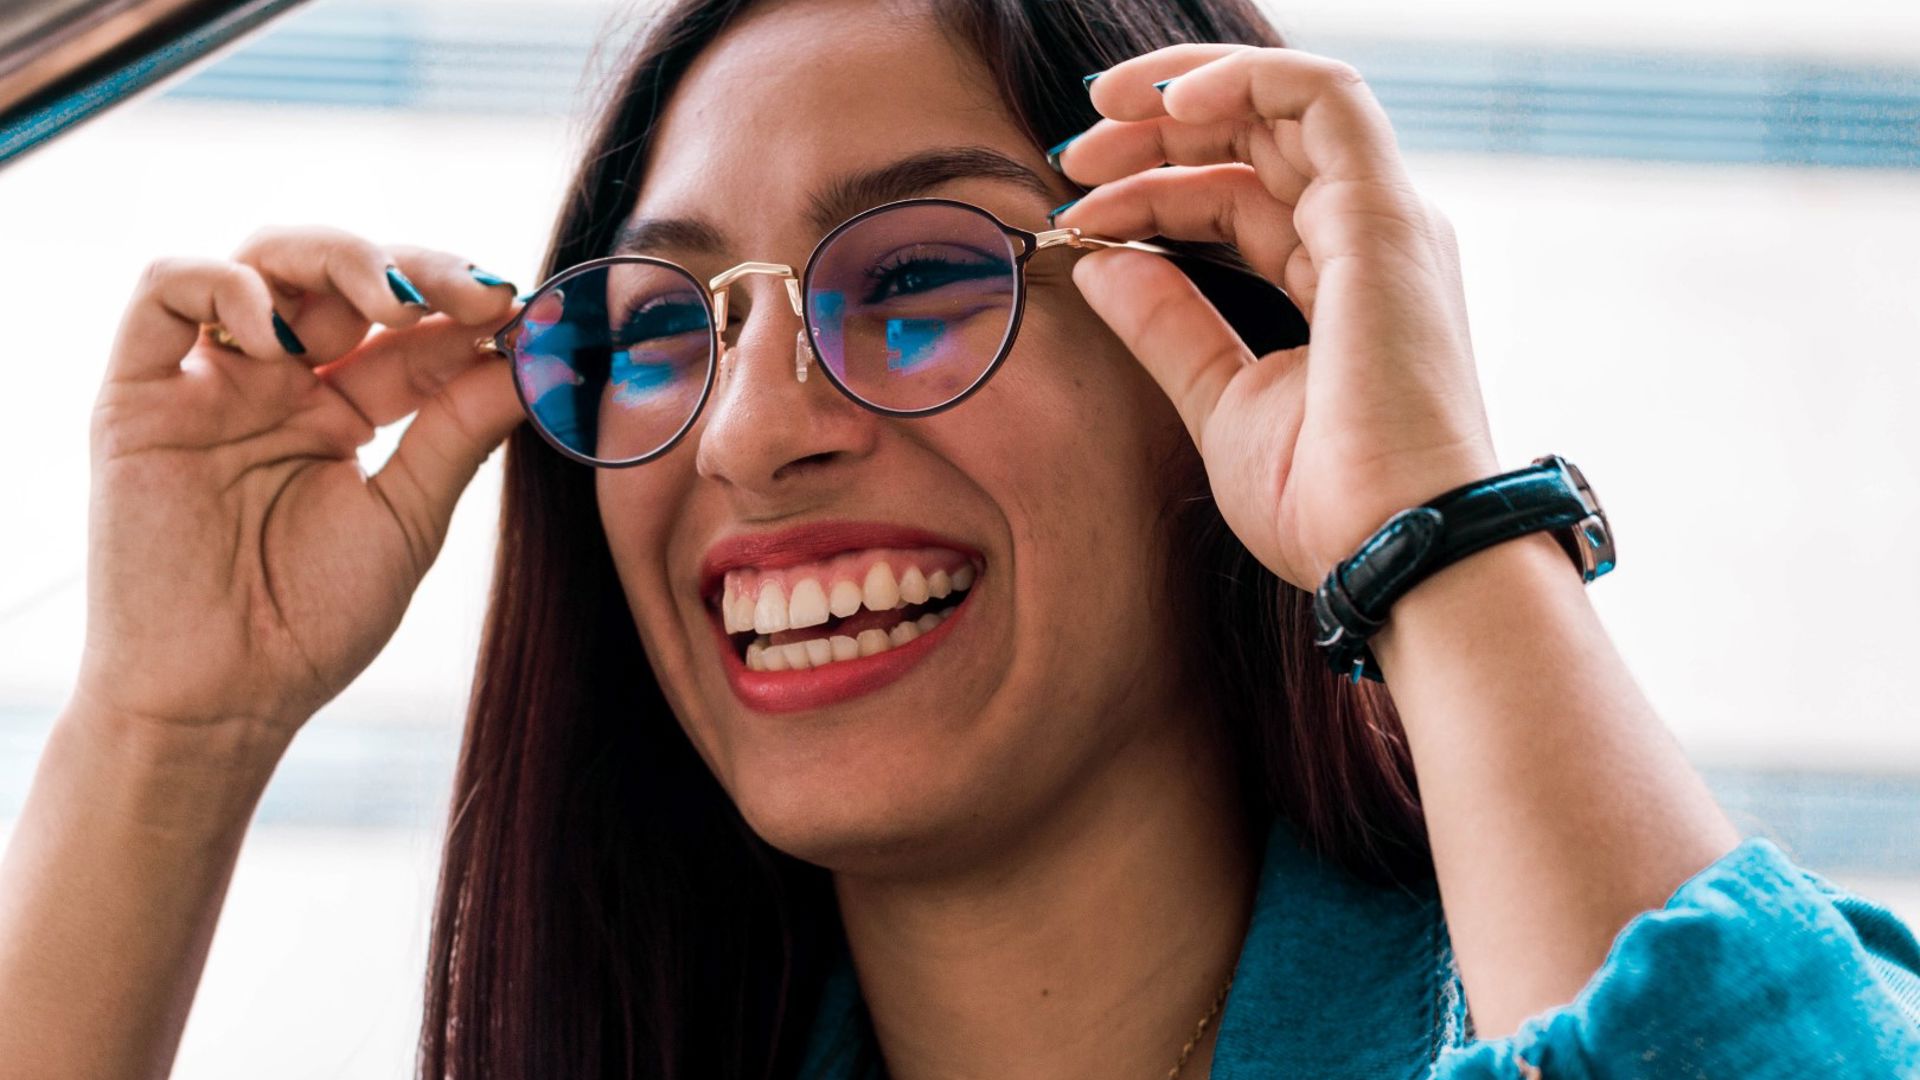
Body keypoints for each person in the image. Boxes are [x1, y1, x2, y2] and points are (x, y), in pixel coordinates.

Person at [2, 0, 1917, 1076]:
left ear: (1223, 342)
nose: (751, 433)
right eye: (666, 327)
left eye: (915, 285)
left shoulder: (1695, 996)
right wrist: (166, 744)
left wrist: (1428, 520)